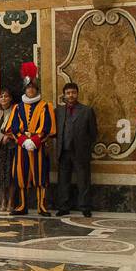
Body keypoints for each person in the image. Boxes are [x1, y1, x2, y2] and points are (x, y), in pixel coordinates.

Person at [6, 63, 55, 216]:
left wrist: (35, 140)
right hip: (22, 148)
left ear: (37, 90)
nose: (31, 90)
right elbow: (13, 128)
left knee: (41, 176)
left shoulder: (45, 106)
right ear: (25, 89)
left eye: (33, 88)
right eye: (28, 88)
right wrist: (23, 141)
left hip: (38, 147)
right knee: (22, 176)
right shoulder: (17, 107)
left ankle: (42, 206)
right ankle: (22, 206)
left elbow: (47, 127)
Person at [54, 81, 97, 218]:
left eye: (73, 92)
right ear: (64, 95)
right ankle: (63, 207)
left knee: (83, 180)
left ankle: (85, 207)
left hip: (80, 152)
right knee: (63, 180)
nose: (71, 95)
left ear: (77, 94)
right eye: (68, 93)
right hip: (63, 151)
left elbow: (93, 132)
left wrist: (85, 146)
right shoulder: (58, 111)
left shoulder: (87, 110)